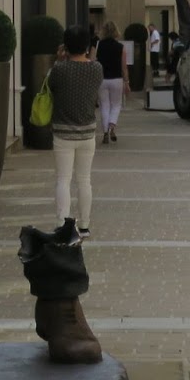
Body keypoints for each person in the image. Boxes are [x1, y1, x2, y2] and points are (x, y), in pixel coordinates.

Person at [48, 24, 103, 238]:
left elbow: (51, 86)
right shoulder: (96, 69)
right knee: (84, 179)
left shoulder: (59, 69)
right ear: (88, 46)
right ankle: (85, 225)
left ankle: (62, 223)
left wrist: (60, 59)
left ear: (66, 46)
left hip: (62, 131)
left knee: (63, 179)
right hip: (87, 131)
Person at [95, 22, 126, 143]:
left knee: (104, 105)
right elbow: (124, 66)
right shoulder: (120, 47)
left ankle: (105, 132)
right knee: (116, 105)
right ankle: (112, 126)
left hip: (102, 79)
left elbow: (93, 61)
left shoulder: (98, 45)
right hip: (117, 79)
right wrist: (127, 81)